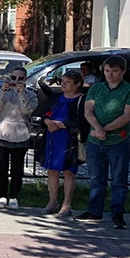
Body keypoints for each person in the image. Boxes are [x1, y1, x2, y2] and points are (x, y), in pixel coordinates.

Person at [78, 55, 130, 229]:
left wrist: (104, 130)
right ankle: (94, 211)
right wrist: (97, 128)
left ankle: (117, 214)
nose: (110, 75)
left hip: (118, 141)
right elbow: (88, 111)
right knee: (96, 178)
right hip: (95, 141)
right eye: (107, 71)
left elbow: (127, 116)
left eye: (114, 71)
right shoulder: (96, 89)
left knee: (119, 180)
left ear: (123, 71)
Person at [0, 68, 38, 209]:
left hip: (21, 133)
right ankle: (2, 197)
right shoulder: (4, 92)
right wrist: (2, 91)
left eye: (21, 78)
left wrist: (21, 93)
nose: (16, 81)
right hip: (3, 132)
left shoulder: (31, 95)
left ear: (25, 80)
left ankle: (14, 197)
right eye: (14, 77)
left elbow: (27, 111)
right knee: (2, 168)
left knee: (17, 169)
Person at [42, 71, 86, 216]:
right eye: (63, 80)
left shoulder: (82, 100)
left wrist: (61, 124)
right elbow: (45, 113)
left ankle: (66, 205)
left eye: (68, 81)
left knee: (69, 172)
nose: (63, 83)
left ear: (77, 84)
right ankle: (52, 202)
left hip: (69, 139)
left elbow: (82, 121)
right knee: (52, 170)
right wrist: (48, 122)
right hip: (52, 138)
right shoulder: (56, 98)